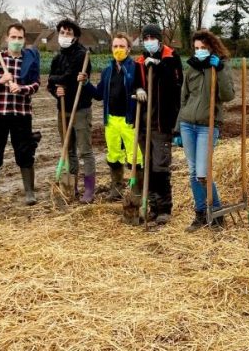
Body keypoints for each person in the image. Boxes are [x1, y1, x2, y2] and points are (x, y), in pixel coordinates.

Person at [174, 29, 235, 232]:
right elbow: (183, 99)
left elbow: (227, 96)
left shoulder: (221, 66)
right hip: (187, 124)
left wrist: (219, 70)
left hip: (207, 125)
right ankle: (200, 214)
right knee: (193, 171)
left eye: (203, 48)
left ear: (211, 48)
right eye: (196, 48)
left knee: (203, 172)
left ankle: (216, 213)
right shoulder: (191, 68)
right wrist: (176, 129)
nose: (199, 51)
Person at [0, 23, 42, 206]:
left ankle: (29, 191)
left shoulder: (29, 61)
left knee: (25, 152)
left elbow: (36, 85)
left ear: (24, 40)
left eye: (19, 38)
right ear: (7, 39)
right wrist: (0, 81)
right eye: (13, 37)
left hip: (21, 114)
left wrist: (21, 88)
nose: (16, 41)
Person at [132, 24, 183, 224]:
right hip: (144, 123)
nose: (149, 41)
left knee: (161, 166)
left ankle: (164, 209)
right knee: (149, 166)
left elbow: (176, 84)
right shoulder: (140, 61)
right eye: (147, 38)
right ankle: (152, 206)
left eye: (153, 37)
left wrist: (160, 65)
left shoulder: (171, 58)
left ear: (160, 40)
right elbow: (134, 82)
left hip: (162, 123)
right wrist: (139, 89)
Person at [83, 33, 144, 201]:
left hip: (129, 120)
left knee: (135, 156)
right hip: (111, 120)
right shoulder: (107, 71)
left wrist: (140, 90)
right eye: (115, 46)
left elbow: (141, 85)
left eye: (122, 46)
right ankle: (116, 189)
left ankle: (136, 190)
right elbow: (98, 95)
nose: (118, 50)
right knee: (114, 155)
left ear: (129, 49)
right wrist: (86, 84)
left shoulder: (135, 67)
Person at [46, 19, 95, 202]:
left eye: (68, 33)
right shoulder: (57, 58)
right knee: (69, 150)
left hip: (80, 108)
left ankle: (89, 188)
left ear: (75, 37)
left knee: (85, 150)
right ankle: (72, 185)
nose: (64, 36)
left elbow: (70, 78)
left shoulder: (82, 55)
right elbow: (50, 83)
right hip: (63, 109)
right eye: (62, 33)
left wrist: (58, 80)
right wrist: (55, 90)